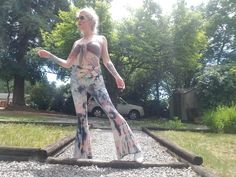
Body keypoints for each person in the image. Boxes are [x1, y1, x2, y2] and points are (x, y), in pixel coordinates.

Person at [37, 7, 143, 163]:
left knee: (112, 112)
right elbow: (68, 64)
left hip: (95, 80)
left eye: (82, 18)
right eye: (77, 18)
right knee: (81, 117)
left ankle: (135, 149)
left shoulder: (101, 39)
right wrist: (49, 56)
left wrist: (117, 77)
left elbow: (106, 61)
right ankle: (82, 154)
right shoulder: (77, 42)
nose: (78, 21)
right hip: (77, 80)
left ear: (91, 20)